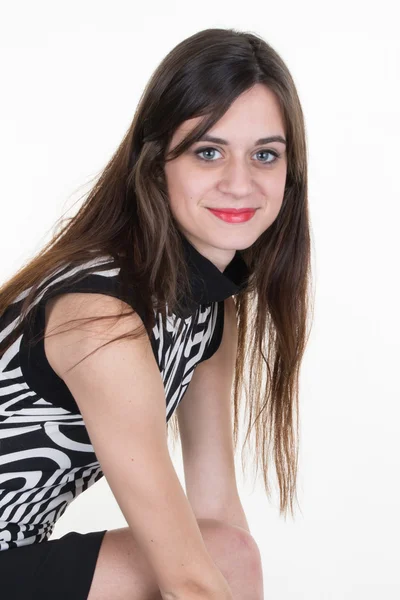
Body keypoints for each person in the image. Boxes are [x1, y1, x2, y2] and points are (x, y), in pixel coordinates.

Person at [0, 26, 312, 600]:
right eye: (208, 151)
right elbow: (188, 581)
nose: (239, 183)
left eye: (264, 155)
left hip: (19, 554)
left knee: (228, 552)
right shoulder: (102, 321)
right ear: (155, 163)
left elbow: (218, 518)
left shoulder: (209, 309)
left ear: (290, 175)